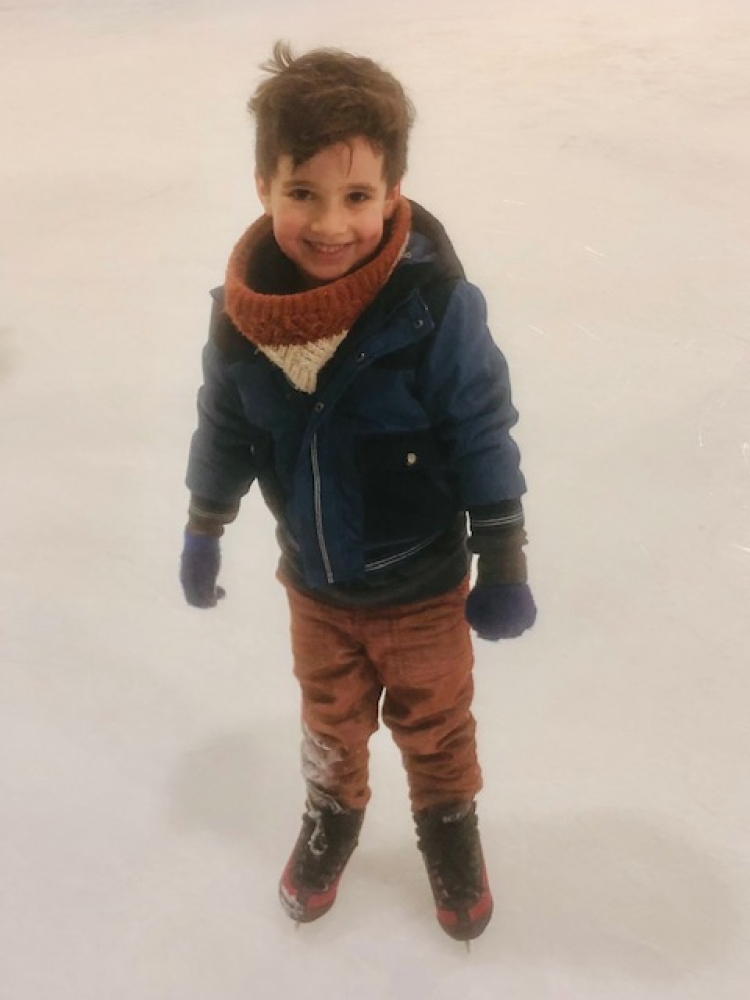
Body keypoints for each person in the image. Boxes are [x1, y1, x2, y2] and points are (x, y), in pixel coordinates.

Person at [180, 41, 536, 943]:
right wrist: (204, 524)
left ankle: (448, 824)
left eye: (357, 196)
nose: (330, 223)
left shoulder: (434, 309)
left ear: (392, 192)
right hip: (315, 587)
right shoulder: (241, 320)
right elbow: (225, 427)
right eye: (302, 192)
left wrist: (503, 555)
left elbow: (481, 430)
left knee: (437, 724)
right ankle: (332, 813)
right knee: (330, 721)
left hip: (421, 587)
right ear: (263, 185)